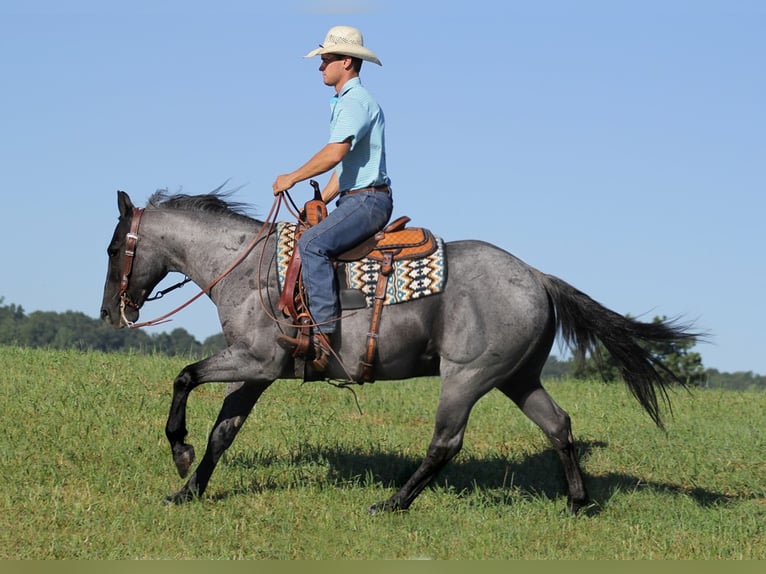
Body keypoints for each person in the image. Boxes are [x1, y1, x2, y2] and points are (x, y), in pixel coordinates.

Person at [272, 25, 393, 372]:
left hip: (367, 201)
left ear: (347, 62)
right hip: (357, 197)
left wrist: (292, 177)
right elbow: (345, 170)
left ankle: (324, 338)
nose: (320, 66)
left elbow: (335, 154)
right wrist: (321, 200)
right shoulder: (348, 101)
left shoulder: (354, 102)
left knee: (311, 244)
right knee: (308, 231)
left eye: (326, 59)